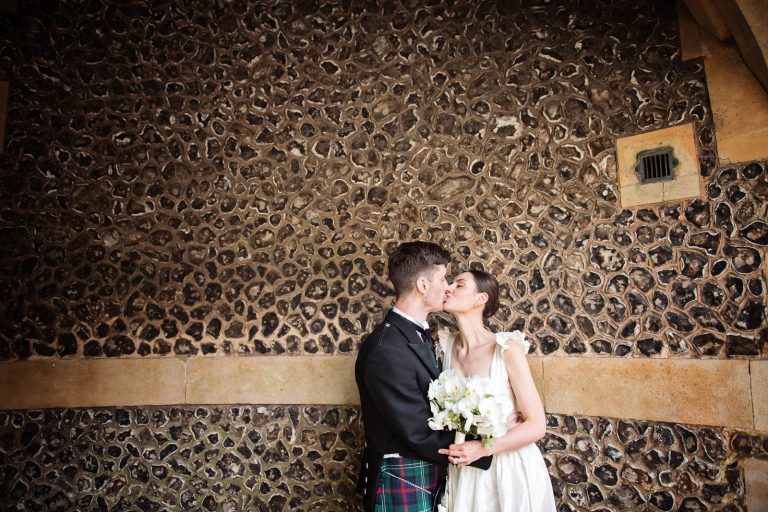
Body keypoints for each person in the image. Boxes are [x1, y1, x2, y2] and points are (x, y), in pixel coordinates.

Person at [355, 242, 492, 512]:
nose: (447, 287)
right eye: (443, 279)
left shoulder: (412, 335)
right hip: (401, 476)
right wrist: (483, 446)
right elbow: (417, 432)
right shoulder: (387, 349)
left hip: (422, 473)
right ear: (423, 285)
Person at [437, 269, 556, 511]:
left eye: (459, 284)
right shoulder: (445, 348)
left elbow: (537, 425)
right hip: (466, 472)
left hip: (508, 470)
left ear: (480, 299)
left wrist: (481, 448)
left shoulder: (506, 349)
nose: (448, 288)